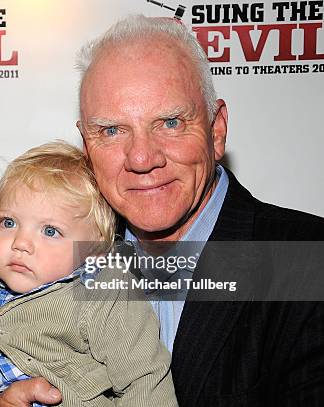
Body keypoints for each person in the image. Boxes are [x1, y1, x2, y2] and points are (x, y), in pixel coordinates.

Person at [75, 15, 324, 407]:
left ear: (217, 130)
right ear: (86, 148)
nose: (142, 158)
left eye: (170, 122)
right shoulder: (60, 266)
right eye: (111, 130)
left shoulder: (310, 261)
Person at [0, 141, 177, 407]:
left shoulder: (105, 296)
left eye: (49, 231)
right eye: (8, 222)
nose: (20, 242)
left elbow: (144, 379)